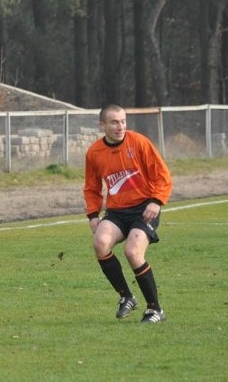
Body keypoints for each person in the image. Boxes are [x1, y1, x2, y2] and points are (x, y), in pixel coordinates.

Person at [83, 104, 173, 323]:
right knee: (100, 243)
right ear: (102, 125)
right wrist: (94, 214)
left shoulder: (139, 142)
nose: (120, 126)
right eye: (114, 122)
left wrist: (156, 201)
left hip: (144, 209)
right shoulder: (94, 152)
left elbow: (163, 175)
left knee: (132, 252)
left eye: (123, 121)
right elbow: (91, 187)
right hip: (116, 211)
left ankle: (155, 309)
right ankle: (127, 296)